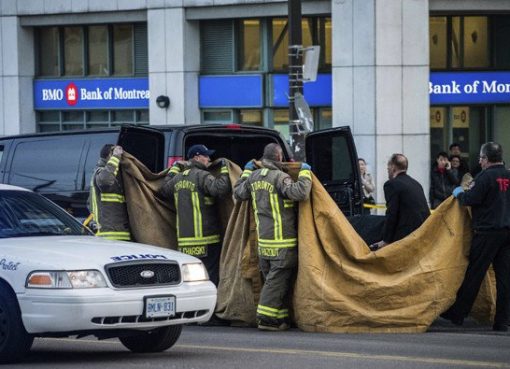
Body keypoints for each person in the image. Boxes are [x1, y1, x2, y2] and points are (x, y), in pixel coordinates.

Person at [234, 143, 312, 331]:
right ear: (278, 157)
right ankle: (266, 318)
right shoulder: (280, 177)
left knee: (275, 282)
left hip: (263, 244)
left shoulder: (253, 177)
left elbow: (238, 192)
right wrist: (305, 173)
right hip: (282, 244)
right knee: (276, 282)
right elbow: (301, 193)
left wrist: (245, 171)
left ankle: (281, 318)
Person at [441, 142, 510, 332]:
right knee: (504, 278)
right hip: (507, 233)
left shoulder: (485, 177)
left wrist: (459, 193)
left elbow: (471, 200)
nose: (479, 161)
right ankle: (503, 321)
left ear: (486, 159)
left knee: (474, 273)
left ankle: (458, 314)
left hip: (487, 232)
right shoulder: (508, 175)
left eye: (481, 157)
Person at [160, 144, 230, 287]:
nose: (209, 159)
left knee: (190, 278)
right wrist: (224, 169)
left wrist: (174, 168)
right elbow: (220, 189)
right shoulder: (202, 176)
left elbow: (163, 190)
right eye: (206, 156)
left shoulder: (178, 178)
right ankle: (211, 305)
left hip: (185, 242)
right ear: (197, 157)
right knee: (209, 276)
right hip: (207, 239)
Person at [370, 153, 429, 251]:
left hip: (405, 235)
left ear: (393, 167)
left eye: (388, 166)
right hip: (422, 233)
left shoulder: (391, 184)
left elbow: (392, 213)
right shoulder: (416, 184)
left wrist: (386, 240)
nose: (387, 169)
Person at [89, 144, 131, 241]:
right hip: (111, 234)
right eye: (117, 153)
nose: (121, 156)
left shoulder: (114, 173)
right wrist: (115, 157)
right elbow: (105, 180)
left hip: (117, 232)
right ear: (109, 155)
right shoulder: (101, 172)